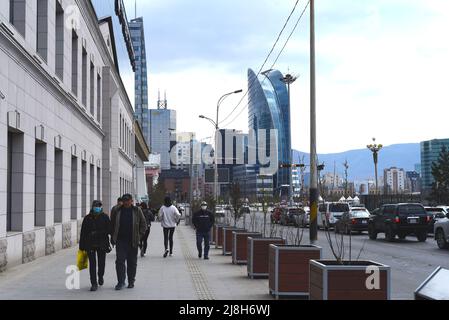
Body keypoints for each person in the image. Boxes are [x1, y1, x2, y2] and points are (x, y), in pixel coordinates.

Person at [110, 194, 147, 290]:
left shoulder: (137, 210)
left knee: (132, 262)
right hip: (120, 240)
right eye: (124, 200)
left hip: (133, 241)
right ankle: (121, 281)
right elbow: (112, 224)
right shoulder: (116, 210)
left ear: (131, 201)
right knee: (119, 261)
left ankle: (131, 281)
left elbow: (144, 225)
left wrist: (139, 236)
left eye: (128, 200)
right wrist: (112, 237)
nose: (126, 202)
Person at [79, 200, 111, 292]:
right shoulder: (87, 218)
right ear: (92, 207)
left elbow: (109, 230)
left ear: (101, 207)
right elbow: (83, 233)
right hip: (90, 244)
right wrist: (82, 247)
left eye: (98, 206)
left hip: (102, 244)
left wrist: (98, 233)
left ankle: (100, 276)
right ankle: (93, 283)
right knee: (92, 265)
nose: (96, 207)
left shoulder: (105, 217)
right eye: (95, 206)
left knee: (101, 263)